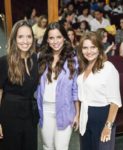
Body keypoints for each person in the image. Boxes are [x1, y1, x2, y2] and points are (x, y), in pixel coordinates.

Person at [37, 22, 80, 150]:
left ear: (64, 38)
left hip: (65, 110)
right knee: (47, 146)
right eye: (51, 38)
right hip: (45, 110)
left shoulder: (73, 59)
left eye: (58, 37)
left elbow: (75, 90)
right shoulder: (41, 58)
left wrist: (77, 114)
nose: (55, 41)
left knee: (61, 147)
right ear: (47, 40)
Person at [77, 32, 122, 150]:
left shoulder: (108, 67)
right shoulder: (83, 67)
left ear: (99, 48)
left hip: (102, 117)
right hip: (85, 118)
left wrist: (108, 126)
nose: (89, 51)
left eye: (93, 47)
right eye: (85, 48)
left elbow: (115, 102)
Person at [0, 20, 39, 150]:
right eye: (20, 36)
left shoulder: (35, 59)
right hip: (9, 114)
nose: (25, 41)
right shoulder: (5, 61)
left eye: (29, 36)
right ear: (14, 38)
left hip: (29, 114)